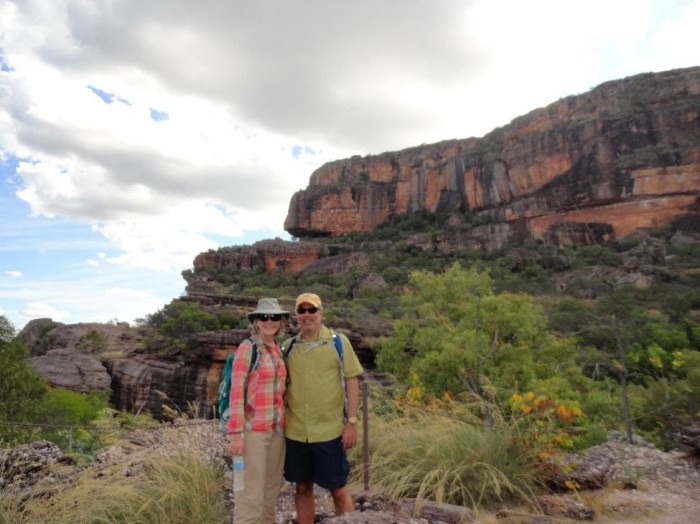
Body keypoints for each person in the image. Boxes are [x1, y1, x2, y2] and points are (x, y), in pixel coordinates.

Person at [283, 292, 364, 523]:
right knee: (302, 487)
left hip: (329, 431)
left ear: (321, 312)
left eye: (312, 310)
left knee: (338, 489)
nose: (307, 315)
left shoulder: (338, 342)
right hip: (297, 431)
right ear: (297, 315)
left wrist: (351, 422)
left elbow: (352, 380)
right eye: (302, 310)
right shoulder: (288, 348)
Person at [227, 297, 289, 524]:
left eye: (274, 317)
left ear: (281, 322)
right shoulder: (248, 348)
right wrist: (235, 434)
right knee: (250, 497)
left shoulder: (278, 350)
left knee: (270, 495)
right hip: (252, 432)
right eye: (264, 317)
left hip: (276, 432)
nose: (269, 321)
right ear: (256, 321)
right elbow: (236, 391)